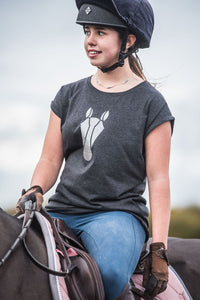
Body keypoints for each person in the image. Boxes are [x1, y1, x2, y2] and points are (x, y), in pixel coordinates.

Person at [16, 1, 175, 299]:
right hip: (62, 209)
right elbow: (50, 158)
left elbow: (158, 180)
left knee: (111, 274)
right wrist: (36, 188)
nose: (90, 40)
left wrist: (159, 247)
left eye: (100, 32)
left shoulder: (152, 105)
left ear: (128, 41)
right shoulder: (67, 94)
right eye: (87, 31)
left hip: (117, 216)